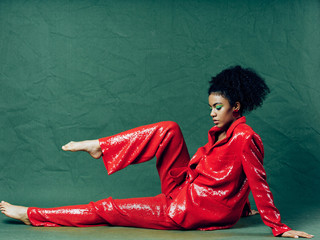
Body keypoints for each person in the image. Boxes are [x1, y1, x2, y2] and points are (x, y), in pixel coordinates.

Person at [0, 66, 313, 239]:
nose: (212, 114)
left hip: (188, 211)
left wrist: (278, 227)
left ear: (237, 106)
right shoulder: (225, 132)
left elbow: (257, 181)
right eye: (210, 108)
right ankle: (102, 146)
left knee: (107, 209)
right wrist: (241, 209)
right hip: (186, 189)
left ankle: (31, 214)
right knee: (169, 129)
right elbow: (233, 175)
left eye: (218, 108)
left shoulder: (246, 138)